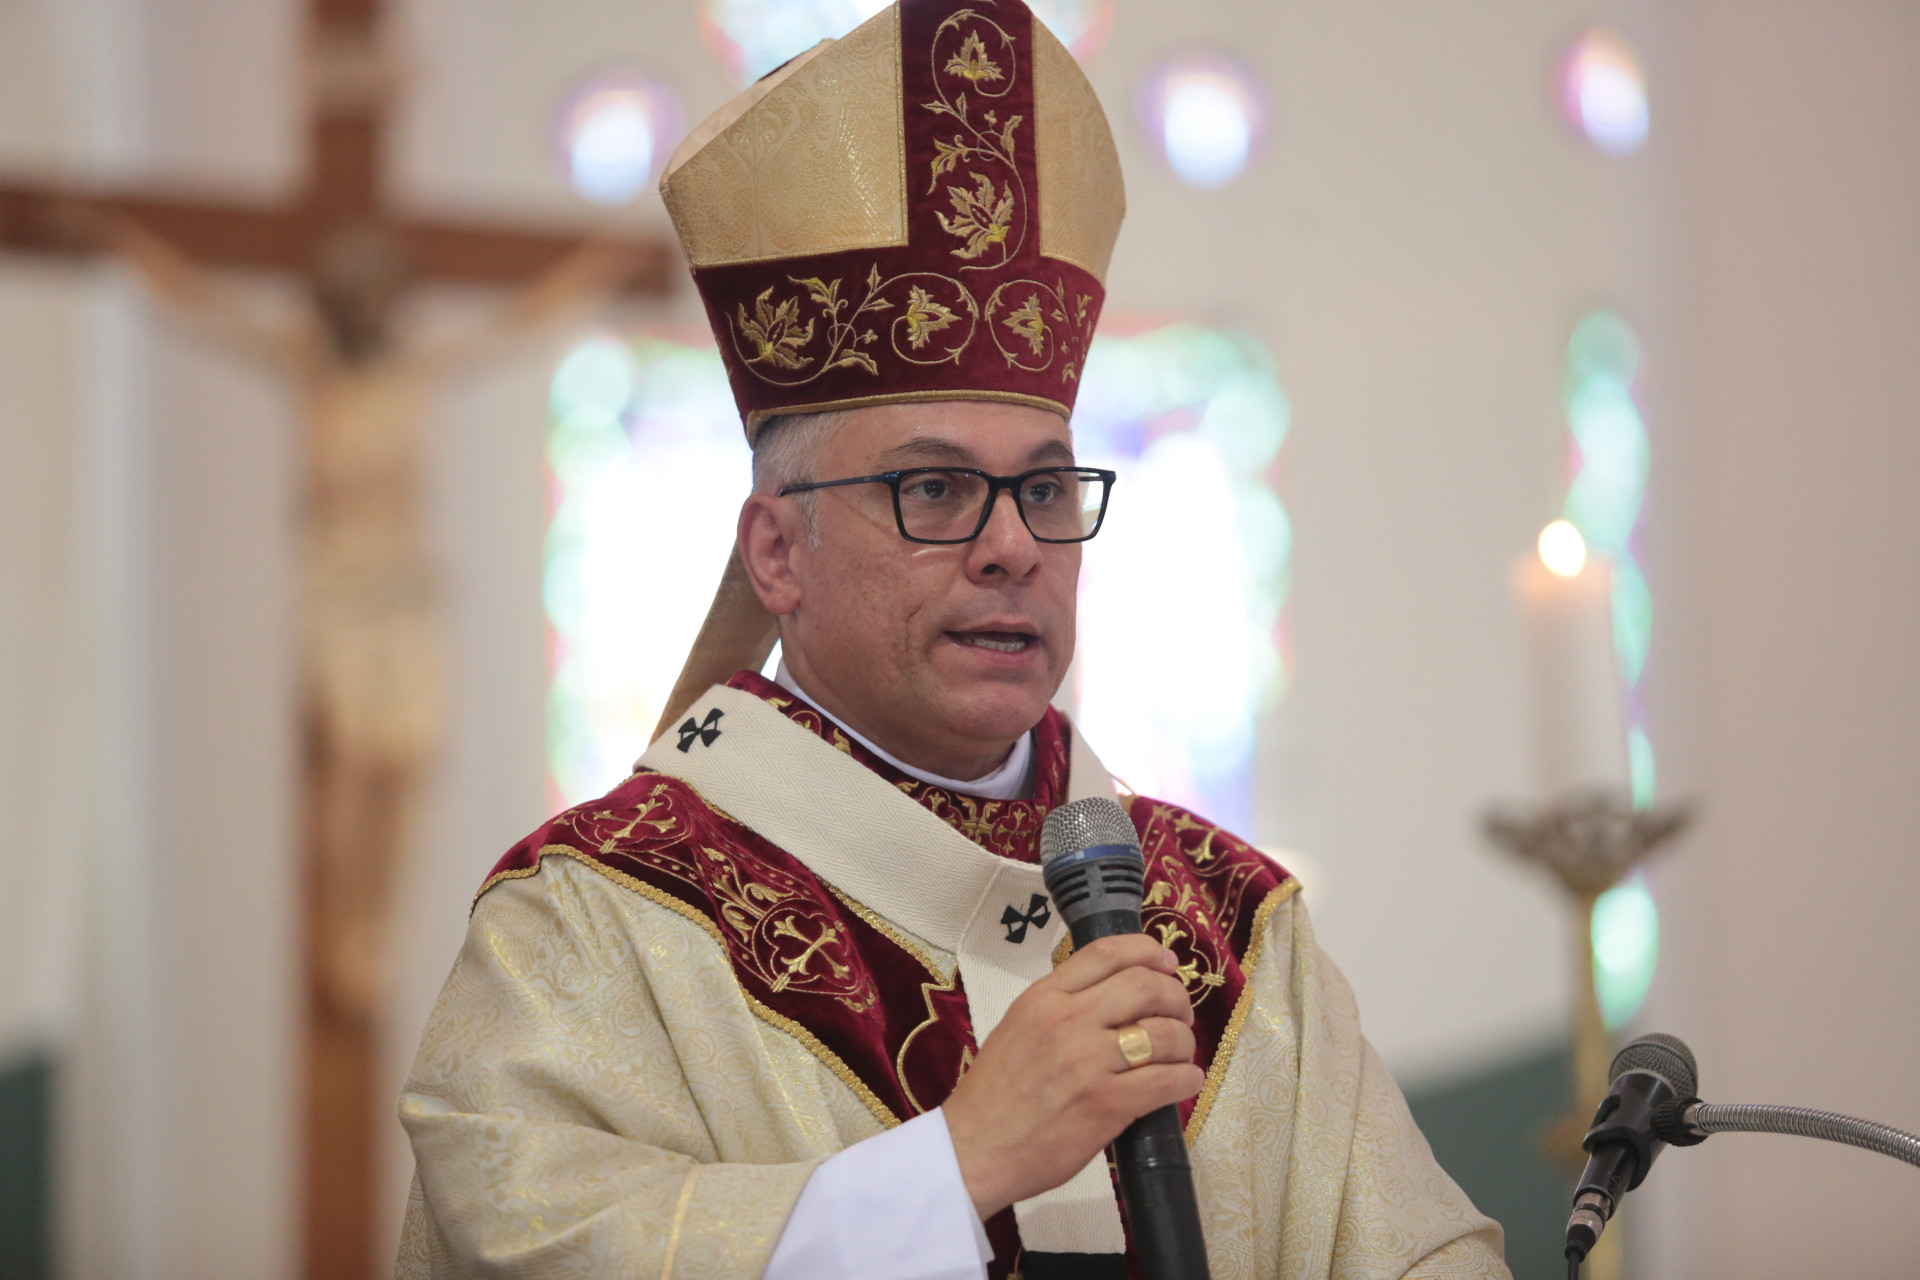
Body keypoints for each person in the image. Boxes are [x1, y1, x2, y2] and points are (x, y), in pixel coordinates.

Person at [395, 3, 1510, 1277]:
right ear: (777, 553)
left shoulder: (1233, 922)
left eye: (1043, 489)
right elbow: (529, 1234)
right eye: (932, 490)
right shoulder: (593, 926)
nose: (1011, 546)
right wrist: (960, 1162)